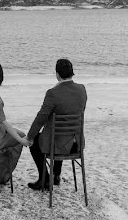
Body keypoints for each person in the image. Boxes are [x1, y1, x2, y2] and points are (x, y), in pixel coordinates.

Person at [25, 58, 87, 190]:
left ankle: (45, 179)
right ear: (72, 73)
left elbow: (41, 118)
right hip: (76, 145)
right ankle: (56, 175)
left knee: (36, 140)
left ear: (57, 74)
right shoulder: (82, 89)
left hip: (58, 146)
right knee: (60, 135)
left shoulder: (53, 93)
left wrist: (29, 136)